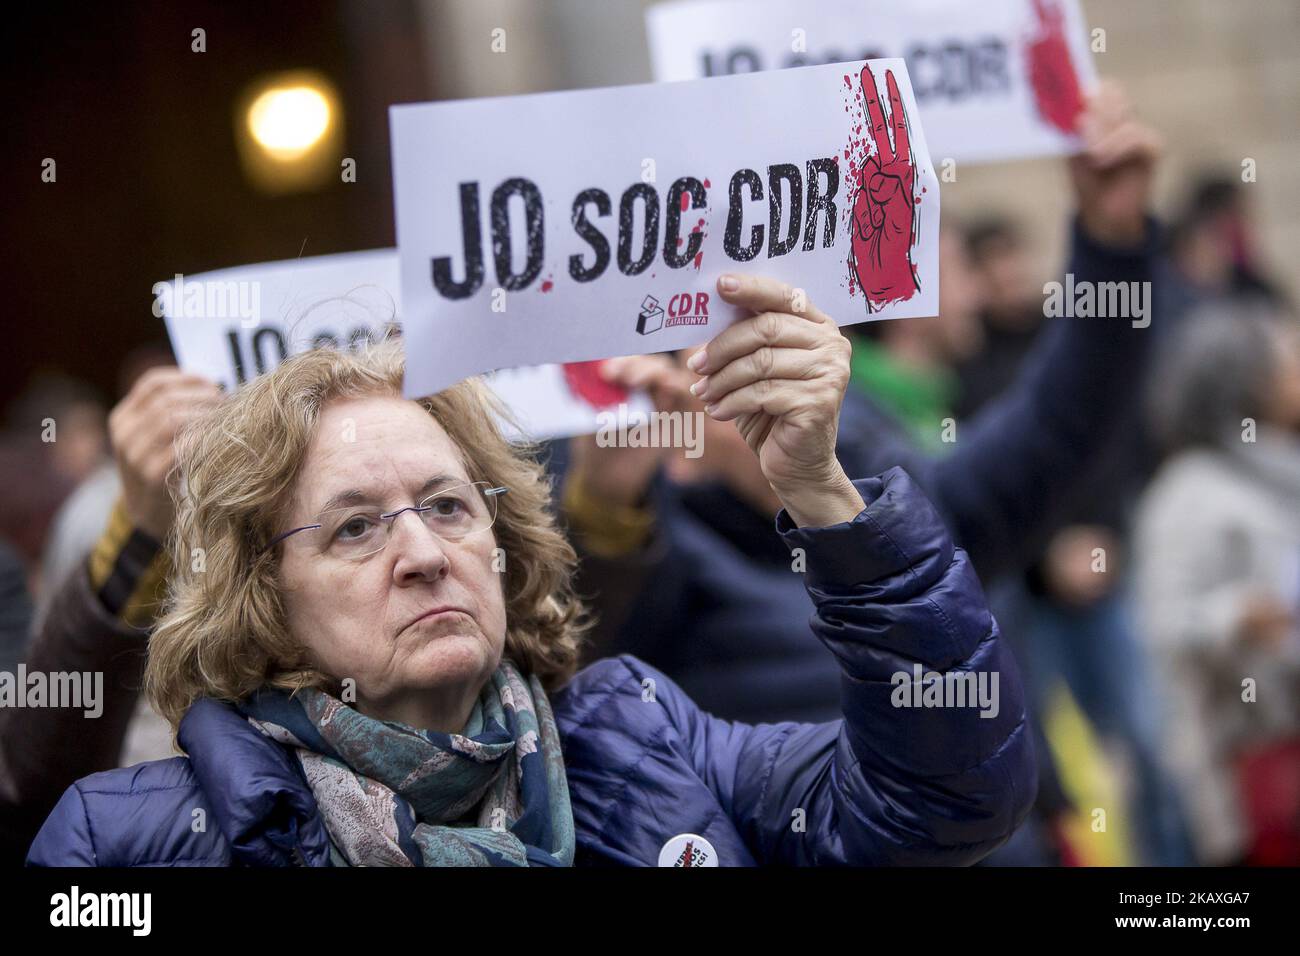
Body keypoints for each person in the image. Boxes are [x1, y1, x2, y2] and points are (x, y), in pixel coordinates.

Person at [27, 275, 1034, 866]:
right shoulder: (132, 840)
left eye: (450, 505)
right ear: (266, 602)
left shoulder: (643, 733)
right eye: (353, 530)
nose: (424, 553)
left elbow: (946, 795)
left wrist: (820, 490)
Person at [1134, 307, 1300, 865]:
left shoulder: (1280, 468)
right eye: (1287, 361)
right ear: (1248, 381)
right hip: (1244, 766)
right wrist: (1239, 614)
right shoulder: (1187, 494)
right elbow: (1165, 624)